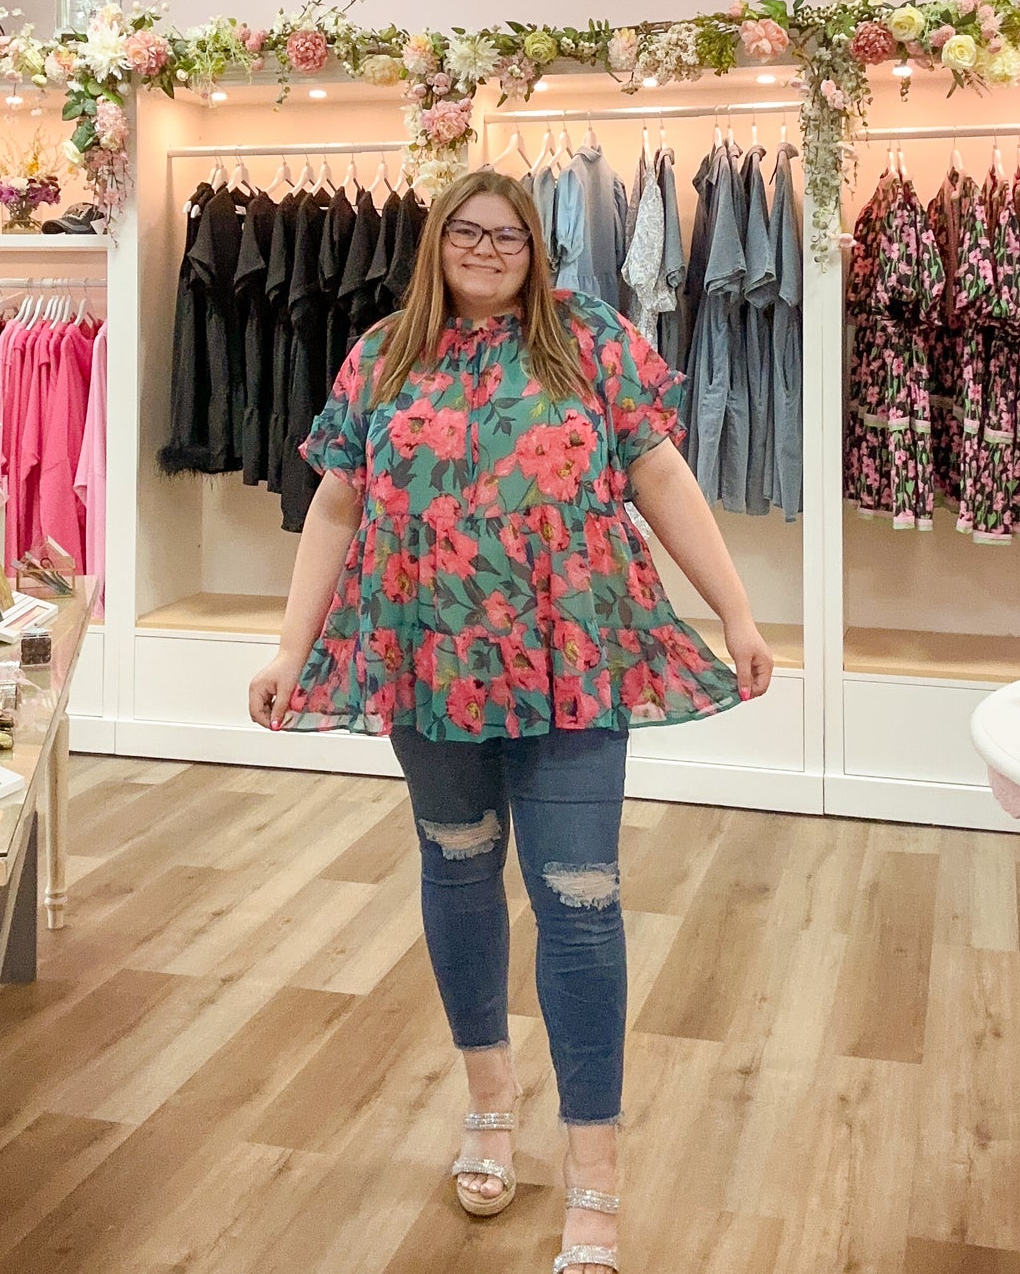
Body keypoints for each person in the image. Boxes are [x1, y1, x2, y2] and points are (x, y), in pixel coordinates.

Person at [249, 169, 773, 1274]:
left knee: (578, 895)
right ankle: (489, 1097)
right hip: (427, 659)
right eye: (467, 231)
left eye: (509, 236)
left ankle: (594, 1165)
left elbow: (660, 475)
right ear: (435, 241)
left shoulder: (591, 342)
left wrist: (733, 611)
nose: (487, 249)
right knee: (456, 866)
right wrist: (289, 649)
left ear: (537, 249)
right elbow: (335, 503)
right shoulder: (381, 353)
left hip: (571, 655)